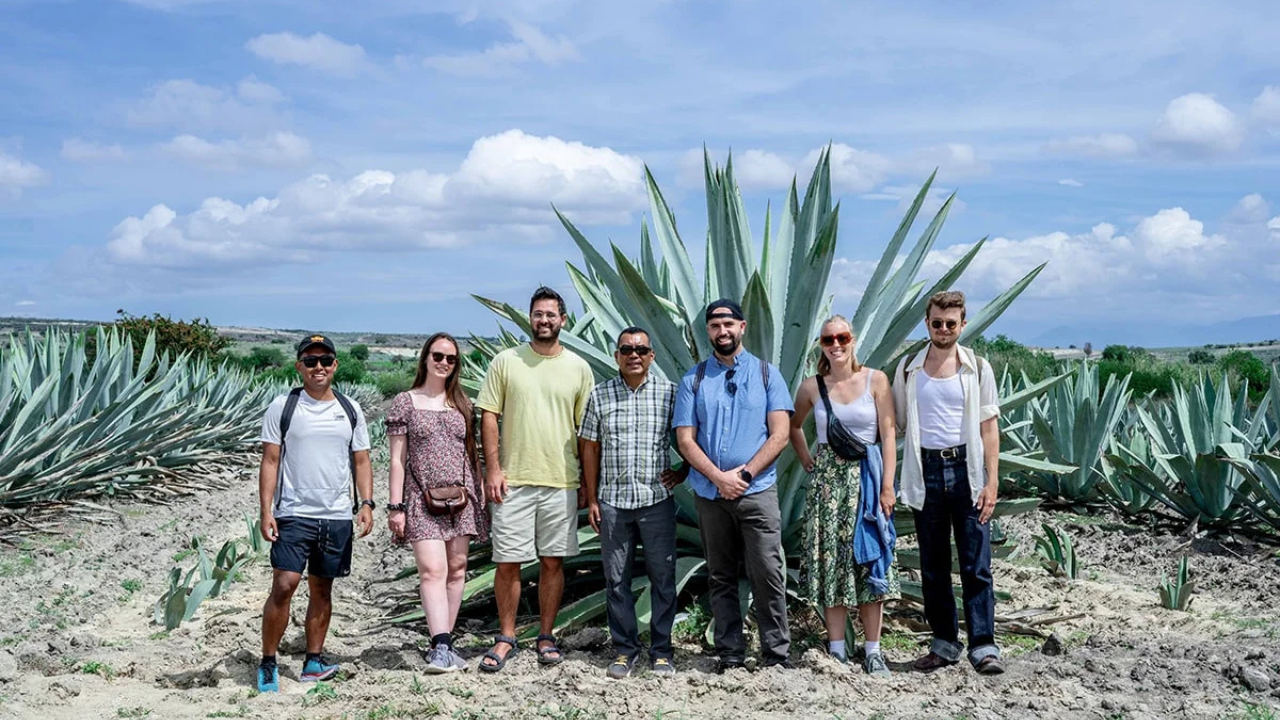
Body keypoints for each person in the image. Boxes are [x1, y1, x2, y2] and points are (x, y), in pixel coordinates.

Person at [475, 286, 595, 672]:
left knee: (552, 562)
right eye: (538, 314)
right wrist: (494, 469)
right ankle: (506, 637)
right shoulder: (506, 361)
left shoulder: (579, 368)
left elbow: (586, 432)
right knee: (507, 562)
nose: (544, 320)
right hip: (513, 480)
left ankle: (546, 635)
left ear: (563, 320)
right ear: (530, 318)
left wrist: (586, 484)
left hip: (561, 481)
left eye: (550, 315)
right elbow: (489, 415)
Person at [673, 299, 794, 672]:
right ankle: (730, 653)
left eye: (728, 324)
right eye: (714, 326)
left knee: (768, 572)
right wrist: (718, 478)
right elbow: (685, 440)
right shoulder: (693, 380)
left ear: (742, 327)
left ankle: (776, 654)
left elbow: (780, 434)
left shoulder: (767, 375)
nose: (722, 331)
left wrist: (744, 476)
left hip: (757, 492)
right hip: (711, 496)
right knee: (720, 575)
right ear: (707, 332)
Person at [892, 290, 1004, 675]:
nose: (943, 329)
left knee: (976, 564)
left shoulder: (978, 368)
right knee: (933, 564)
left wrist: (992, 482)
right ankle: (943, 644)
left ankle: (983, 646)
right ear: (927, 324)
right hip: (925, 472)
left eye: (950, 323)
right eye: (937, 323)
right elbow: (895, 422)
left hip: (967, 470)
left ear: (963, 324)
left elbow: (989, 428)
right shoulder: (908, 368)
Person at [256, 335, 375, 692]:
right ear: (299, 366)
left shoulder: (350, 409)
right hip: (293, 513)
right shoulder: (283, 407)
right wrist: (266, 510)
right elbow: (270, 460)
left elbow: (362, 460)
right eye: (310, 361)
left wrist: (367, 503)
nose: (318, 367)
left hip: (336, 515)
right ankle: (268, 661)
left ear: (335, 365)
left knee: (322, 589)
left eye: (325, 360)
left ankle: (313, 661)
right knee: (284, 585)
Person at [789, 316, 900, 675]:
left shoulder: (876, 380)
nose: (835, 345)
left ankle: (873, 651)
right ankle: (836, 649)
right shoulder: (811, 387)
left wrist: (887, 486)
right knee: (832, 563)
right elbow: (792, 425)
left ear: (853, 340)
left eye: (842, 337)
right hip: (828, 486)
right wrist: (807, 459)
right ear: (820, 345)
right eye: (828, 339)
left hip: (867, 481)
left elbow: (888, 434)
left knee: (869, 561)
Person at [579, 326, 686, 679]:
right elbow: (590, 447)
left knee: (663, 578)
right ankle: (625, 649)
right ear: (617, 356)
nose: (634, 355)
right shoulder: (600, 395)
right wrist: (593, 497)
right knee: (616, 580)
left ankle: (662, 651)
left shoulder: (670, 393)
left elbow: (690, 436)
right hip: (613, 502)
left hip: (656, 500)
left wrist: (684, 471)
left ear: (652, 355)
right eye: (626, 350)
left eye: (641, 349)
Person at [386, 332, 489, 674]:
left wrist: (479, 497)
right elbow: (397, 460)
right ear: (426, 358)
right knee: (433, 570)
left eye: (451, 358)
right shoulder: (406, 402)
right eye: (438, 356)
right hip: (420, 497)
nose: (444, 363)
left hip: (462, 497)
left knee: (457, 569)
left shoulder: (462, 404)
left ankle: (444, 644)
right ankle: (441, 645)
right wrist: (395, 506)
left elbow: (471, 454)